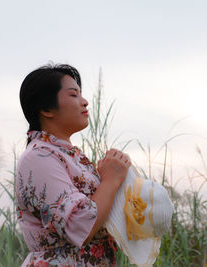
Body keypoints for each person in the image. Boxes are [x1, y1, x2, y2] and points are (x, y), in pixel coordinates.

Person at [15, 63, 131, 267]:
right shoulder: (38, 158)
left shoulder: (65, 155)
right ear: (47, 109)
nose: (85, 102)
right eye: (73, 95)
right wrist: (111, 180)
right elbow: (81, 225)